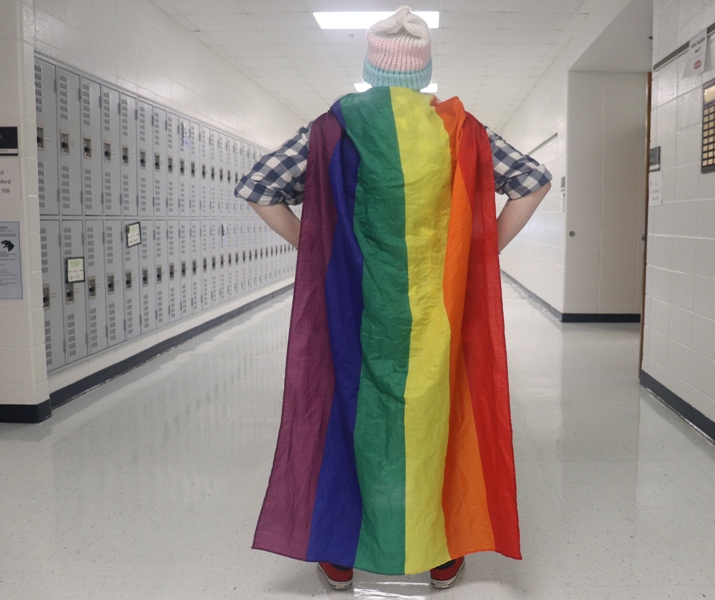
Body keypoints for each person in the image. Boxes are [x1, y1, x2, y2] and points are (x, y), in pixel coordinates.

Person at [234, 6, 551, 591]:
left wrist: (314, 243)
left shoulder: (331, 129)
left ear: (371, 67)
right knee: (436, 418)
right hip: (439, 310)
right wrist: (482, 251)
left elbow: (256, 187)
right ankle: (439, 553)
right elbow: (533, 181)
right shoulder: (463, 130)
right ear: (423, 70)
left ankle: (339, 551)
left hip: (351, 309)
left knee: (347, 415)